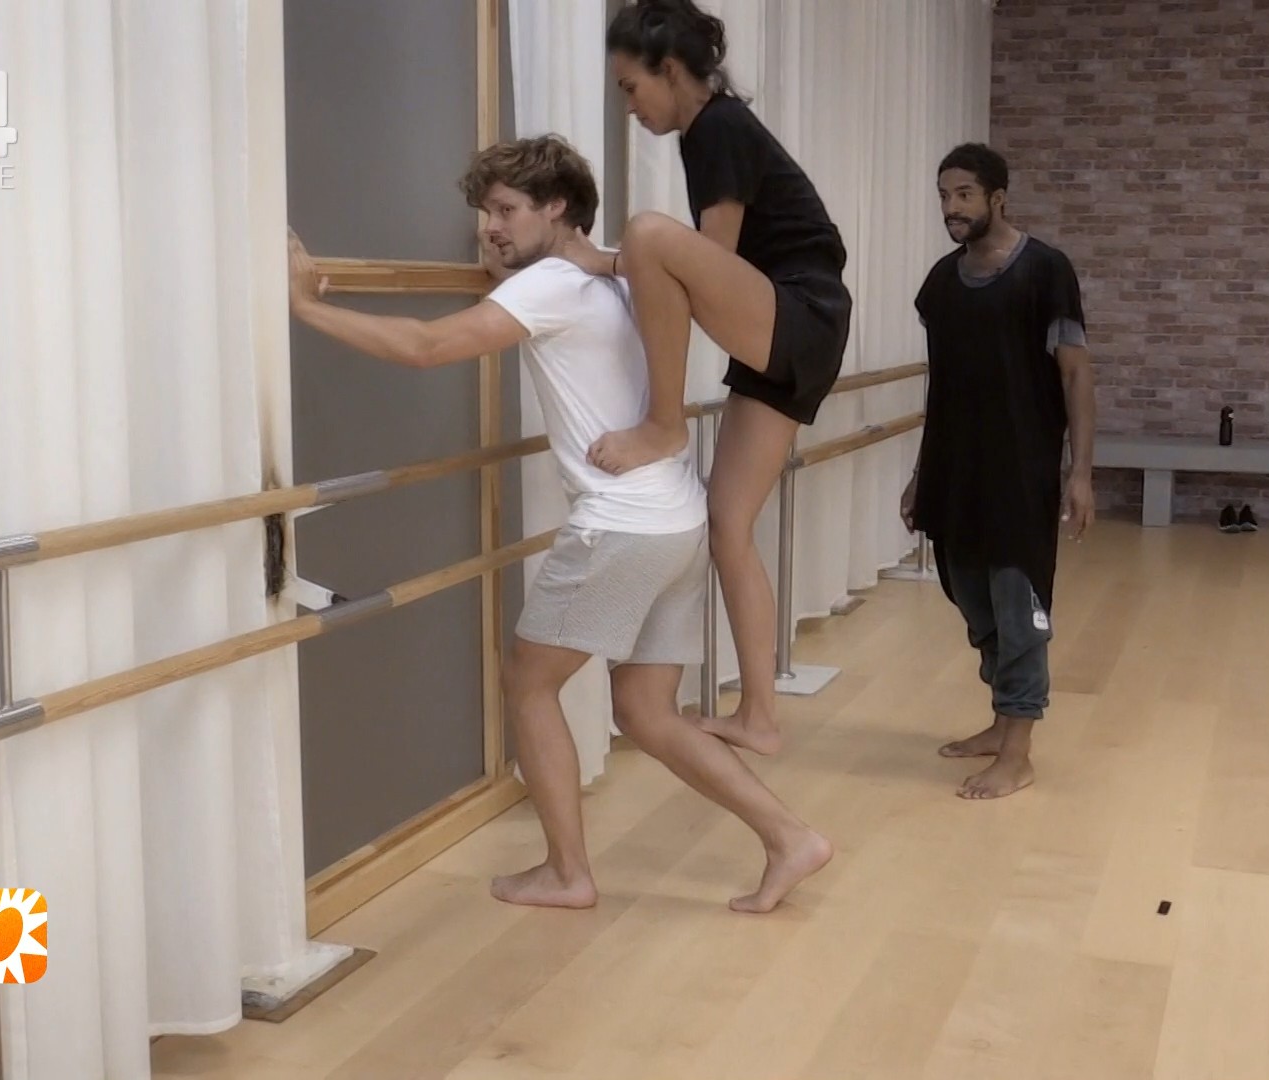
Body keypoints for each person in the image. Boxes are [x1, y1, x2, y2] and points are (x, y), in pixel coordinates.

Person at [286, 135, 831, 912]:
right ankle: (789, 838)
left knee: (528, 682)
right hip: (675, 518)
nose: (489, 228)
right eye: (484, 213)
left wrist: (308, 306)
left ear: (557, 208)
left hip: (622, 526)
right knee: (644, 710)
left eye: (505, 210)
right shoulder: (619, 279)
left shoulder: (551, 286)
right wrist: (510, 271)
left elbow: (428, 347)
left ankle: (568, 873)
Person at [559, 0, 852, 757]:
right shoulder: (711, 132)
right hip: (790, 325)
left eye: (631, 88)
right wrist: (619, 263)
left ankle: (663, 425)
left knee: (649, 233)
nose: (630, 107)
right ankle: (759, 714)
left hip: (799, 312)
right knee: (728, 525)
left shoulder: (717, 127)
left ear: (670, 70)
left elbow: (704, 262)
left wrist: (603, 260)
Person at [902, 143, 1096, 800]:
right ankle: (1001, 722)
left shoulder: (1046, 271)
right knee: (972, 600)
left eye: (963, 195)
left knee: (1019, 611)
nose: (951, 208)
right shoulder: (940, 284)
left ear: (998, 198)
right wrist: (920, 472)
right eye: (944, 196)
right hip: (955, 472)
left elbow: (1076, 375)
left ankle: (1018, 753)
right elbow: (942, 388)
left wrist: (1081, 473)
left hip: (1020, 473)